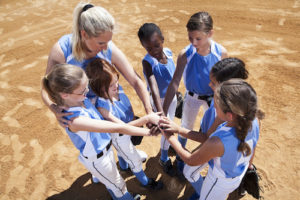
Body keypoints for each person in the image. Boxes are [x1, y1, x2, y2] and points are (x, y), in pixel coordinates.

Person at [42, 64, 162, 200]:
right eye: (83, 90)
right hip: (98, 161)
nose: (87, 91)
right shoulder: (75, 120)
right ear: (65, 94)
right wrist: (148, 129)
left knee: (113, 183)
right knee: (119, 185)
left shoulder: (81, 100)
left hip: (105, 151)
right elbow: (117, 128)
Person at [41, 2, 152, 128]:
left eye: (108, 41)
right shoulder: (62, 51)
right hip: (89, 119)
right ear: (84, 34)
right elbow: (46, 88)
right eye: (100, 43)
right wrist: (54, 108)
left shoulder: (108, 47)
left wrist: (149, 111)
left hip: (114, 109)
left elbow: (135, 80)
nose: (106, 47)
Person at [159, 79, 264, 200]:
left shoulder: (218, 142)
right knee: (189, 172)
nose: (214, 108)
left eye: (217, 107)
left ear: (229, 115)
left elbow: (191, 160)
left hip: (219, 183)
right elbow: (253, 146)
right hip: (237, 172)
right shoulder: (254, 119)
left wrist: (170, 137)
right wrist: (178, 129)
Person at [162, 11, 228, 174]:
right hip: (192, 97)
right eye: (190, 38)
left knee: (212, 129)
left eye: (198, 38)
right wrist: (163, 110)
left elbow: (225, 82)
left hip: (214, 100)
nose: (193, 42)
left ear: (210, 33)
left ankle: (207, 155)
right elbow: (175, 81)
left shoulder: (221, 53)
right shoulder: (186, 54)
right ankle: (180, 155)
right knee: (185, 126)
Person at [85, 58, 163, 190]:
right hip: (121, 135)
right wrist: (147, 119)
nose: (116, 86)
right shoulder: (102, 108)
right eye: (111, 85)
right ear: (99, 88)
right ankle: (145, 182)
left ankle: (123, 166)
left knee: (123, 154)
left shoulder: (116, 88)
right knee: (134, 160)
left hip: (129, 125)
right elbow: (124, 128)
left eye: (116, 80)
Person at [182, 57, 249, 199]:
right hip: (214, 144)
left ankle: (203, 194)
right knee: (189, 171)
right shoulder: (235, 101)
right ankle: (203, 192)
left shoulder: (226, 113)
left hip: (217, 152)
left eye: (214, 83)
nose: (209, 84)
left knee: (189, 170)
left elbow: (207, 139)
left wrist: (175, 131)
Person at [137, 23, 177, 176]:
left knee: (170, 126)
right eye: (149, 48)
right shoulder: (148, 62)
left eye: (156, 45)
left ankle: (166, 148)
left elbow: (173, 77)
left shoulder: (169, 53)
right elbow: (153, 89)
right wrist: (161, 113)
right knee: (167, 127)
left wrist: (176, 93)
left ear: (163, 40)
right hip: (159, 101)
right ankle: (164, 158)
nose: (154, 51)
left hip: (171, 98)